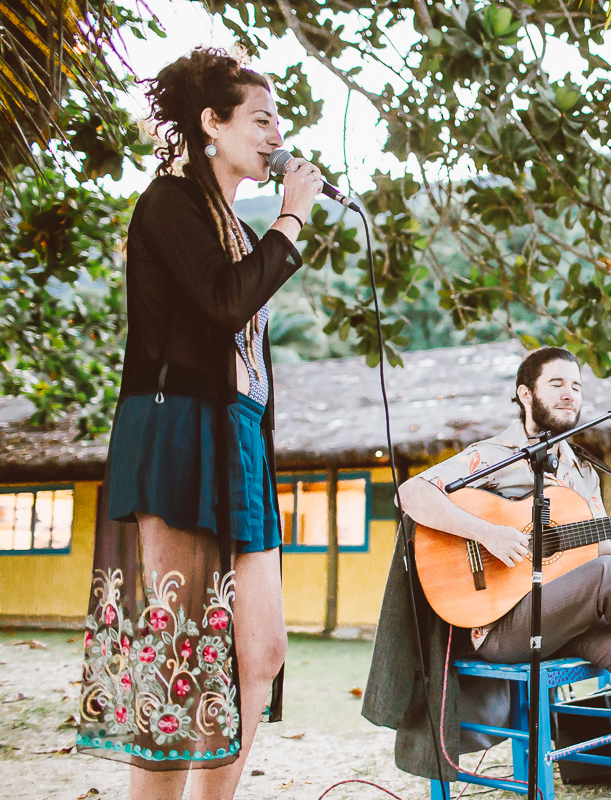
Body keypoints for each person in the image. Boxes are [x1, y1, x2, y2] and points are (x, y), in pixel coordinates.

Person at [76, 48, 325, 800]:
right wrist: (292, 215)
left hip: (239, 439)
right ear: (211, 123)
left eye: (279, 119)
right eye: (262, 118)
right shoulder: (168, 202)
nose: (277, 132)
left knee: (262, 650)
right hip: (177, 430)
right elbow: (224, 303)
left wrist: (274, 229)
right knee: (183, 656)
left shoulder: (241, 231)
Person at [362, 348, 611, 800]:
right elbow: (410, 494)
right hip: (497, 624)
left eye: (576, 386)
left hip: (563, 618)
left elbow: (608, 555)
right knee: (609, 578)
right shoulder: (491, 456)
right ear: (525, 394)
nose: (570, 394)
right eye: (556, 384)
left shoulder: (579, 472)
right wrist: (486, 532)